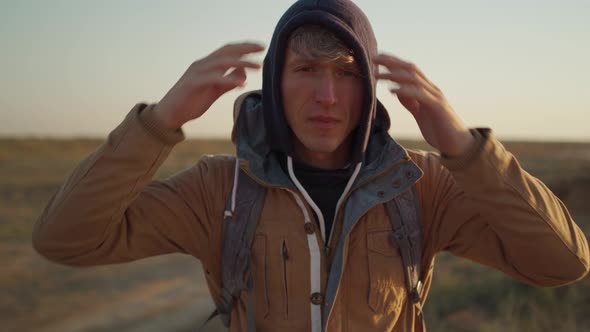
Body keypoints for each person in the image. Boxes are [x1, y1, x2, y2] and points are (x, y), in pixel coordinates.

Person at [33, 1, 589, 331]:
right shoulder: (219, 189)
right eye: (305, 69)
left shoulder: (422, 187)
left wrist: (467, 150)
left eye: (346, 73)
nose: (327, 94)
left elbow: (563, 263)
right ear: (275, 82)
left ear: (369, 89)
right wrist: (158, 121)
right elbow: (65, 240)